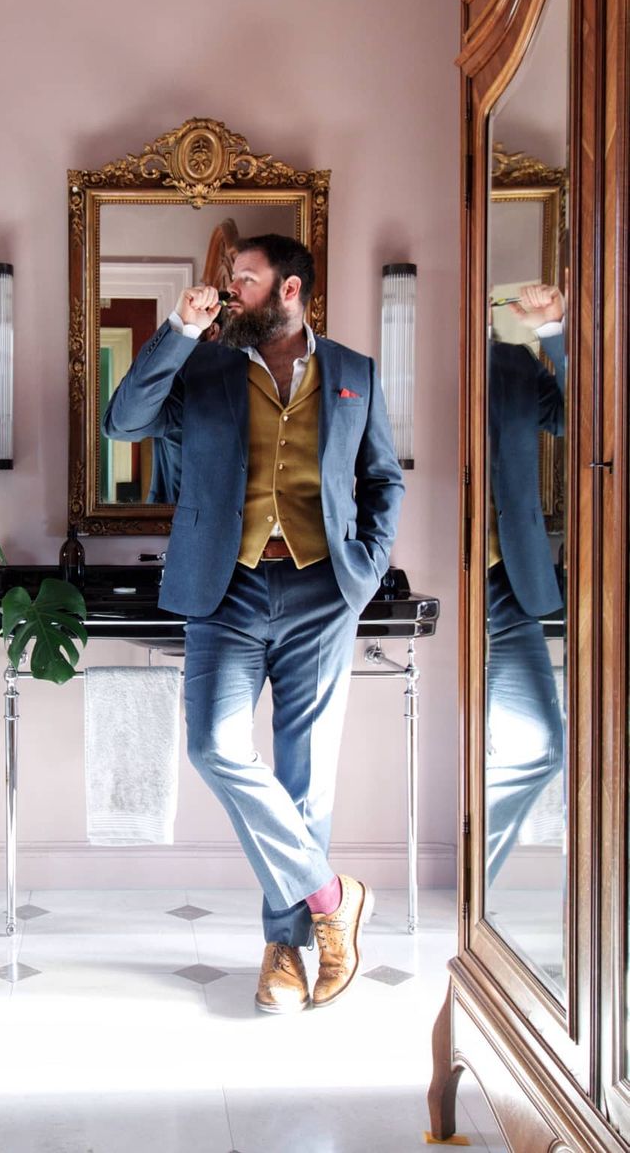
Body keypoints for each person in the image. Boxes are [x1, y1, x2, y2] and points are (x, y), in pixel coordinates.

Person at [103, 233, 404, 1014]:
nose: (229, 289)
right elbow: (123, 424)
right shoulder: (200, 362)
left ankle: (285, 951)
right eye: (229, 279)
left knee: (306, 779)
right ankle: (334, 896)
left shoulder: (354, 374)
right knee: (214, 744)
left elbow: (381, 479)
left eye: (245, 279)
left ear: (290, 289)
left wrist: (362, 572)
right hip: (224, 590)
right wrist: (176, 328)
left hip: (320, 594)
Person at [486, 282, 566, 882]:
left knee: (541, 745)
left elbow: (588, 418)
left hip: (510, 583)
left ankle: (473, 880)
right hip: (427, 575)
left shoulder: (515, 361)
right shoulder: (385, 350)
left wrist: (554, 334)